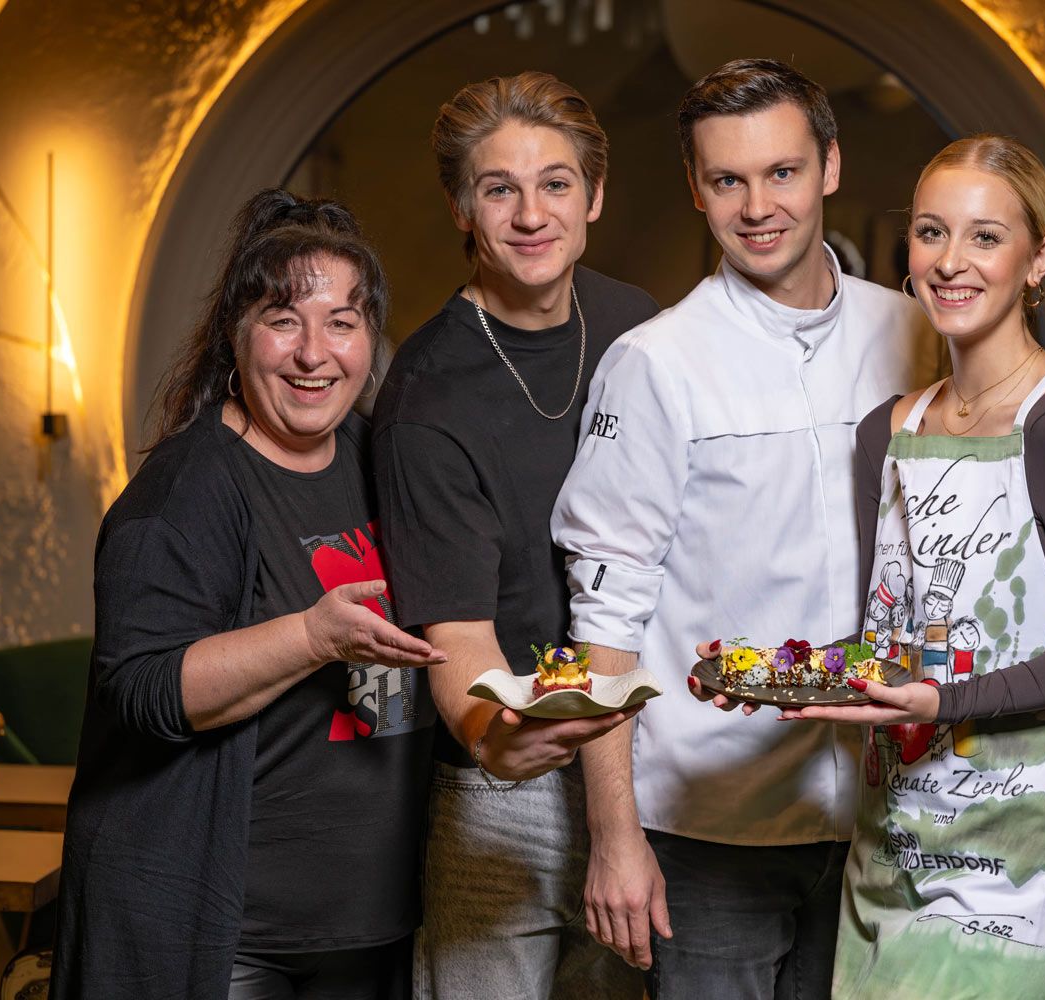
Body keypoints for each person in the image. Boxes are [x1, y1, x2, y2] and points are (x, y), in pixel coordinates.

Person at [705, 134, 1045, 998]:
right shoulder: (889, 429)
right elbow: (894, 640)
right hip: (894, 855)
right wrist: (782, 676)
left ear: (1039, 259)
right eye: (930, 233)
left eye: (986, 237)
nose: (951, 263)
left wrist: (946, 702)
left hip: (1021, 870)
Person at [550, 59, 931, 998]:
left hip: (893, 819)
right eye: (728, 179)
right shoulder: (656, 364)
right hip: (710, 833)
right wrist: (614, 836)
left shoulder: (919, 335)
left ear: (830, 167)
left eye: (782, 172)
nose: (758, 205)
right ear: (696, 189)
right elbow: (605, 620)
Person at [51, 190, 444, 1000]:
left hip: (369, 924)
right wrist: (311, 637)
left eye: (342, 322)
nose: (314, 353)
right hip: (228, 939)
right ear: (238, 335)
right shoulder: (186, 492)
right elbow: (145, 688)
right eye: (283, 319)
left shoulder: (384, 460)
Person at [371, 72, 657, 1000]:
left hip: (655, 767)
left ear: (596, 197)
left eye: (557, 183)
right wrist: (493, 735)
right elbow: (454, 633)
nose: (532, 213)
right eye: (500, 188)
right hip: (507, 794)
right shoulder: (426, 395)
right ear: (463, 206)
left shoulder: (643, 334)